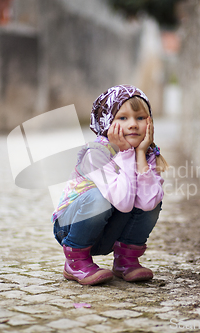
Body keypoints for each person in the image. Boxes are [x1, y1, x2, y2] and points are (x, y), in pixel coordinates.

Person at [51, 84, 169, 286]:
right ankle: (75, 261)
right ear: (107, 121)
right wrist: (125, 154)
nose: (133, 124)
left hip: (108, 230)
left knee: (153, 196)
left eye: (140, 118)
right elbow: (122, 203)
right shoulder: (96, 153)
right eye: (122, 118)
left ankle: (126, 261)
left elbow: (149, 202)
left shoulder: (147, 154)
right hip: (71, 227)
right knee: (99, 198)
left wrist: (139, 154)